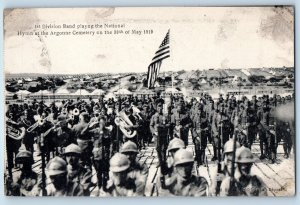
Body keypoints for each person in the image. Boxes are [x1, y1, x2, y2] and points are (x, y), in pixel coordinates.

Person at [150, 102, 171, 173]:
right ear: (156, 108)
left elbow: (169, 123)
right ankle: (159, 161)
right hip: (157, 135)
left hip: (164, 134)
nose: (160, 109)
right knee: (158, 148)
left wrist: (165, 126)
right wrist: (153, 132)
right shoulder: (154, 116)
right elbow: (151, 125)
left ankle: (164, 161)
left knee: (164, 148)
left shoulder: (165, 116)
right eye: (159, 107)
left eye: (161, 107)